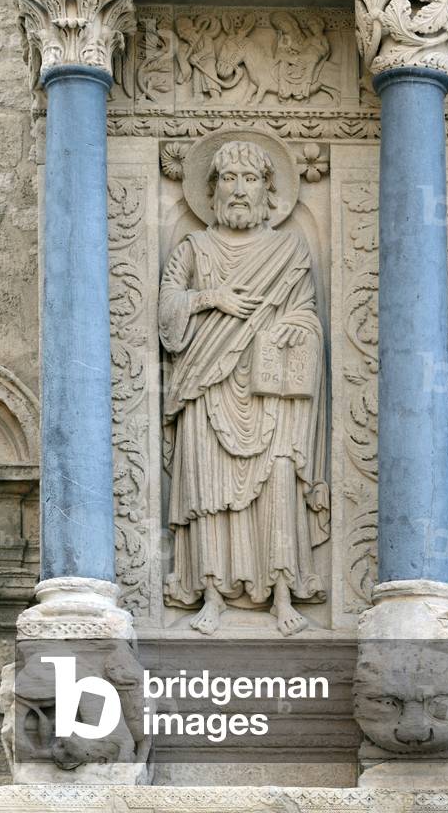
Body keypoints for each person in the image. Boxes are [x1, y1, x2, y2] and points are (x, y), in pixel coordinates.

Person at [159, 140, 330, 637]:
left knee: (278, 487)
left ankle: (282, 594)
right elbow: (168, 310)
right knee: (209, 490)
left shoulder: (289, 248)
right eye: (228, 179)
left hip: (270, 388)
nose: (238, 189)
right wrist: (211, 298)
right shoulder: (193, 248)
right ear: (211, 191)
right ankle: (211, 594)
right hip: (206, 384)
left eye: (249, 179)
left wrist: (299, 327)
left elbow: (306, 311)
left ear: (267, 190)